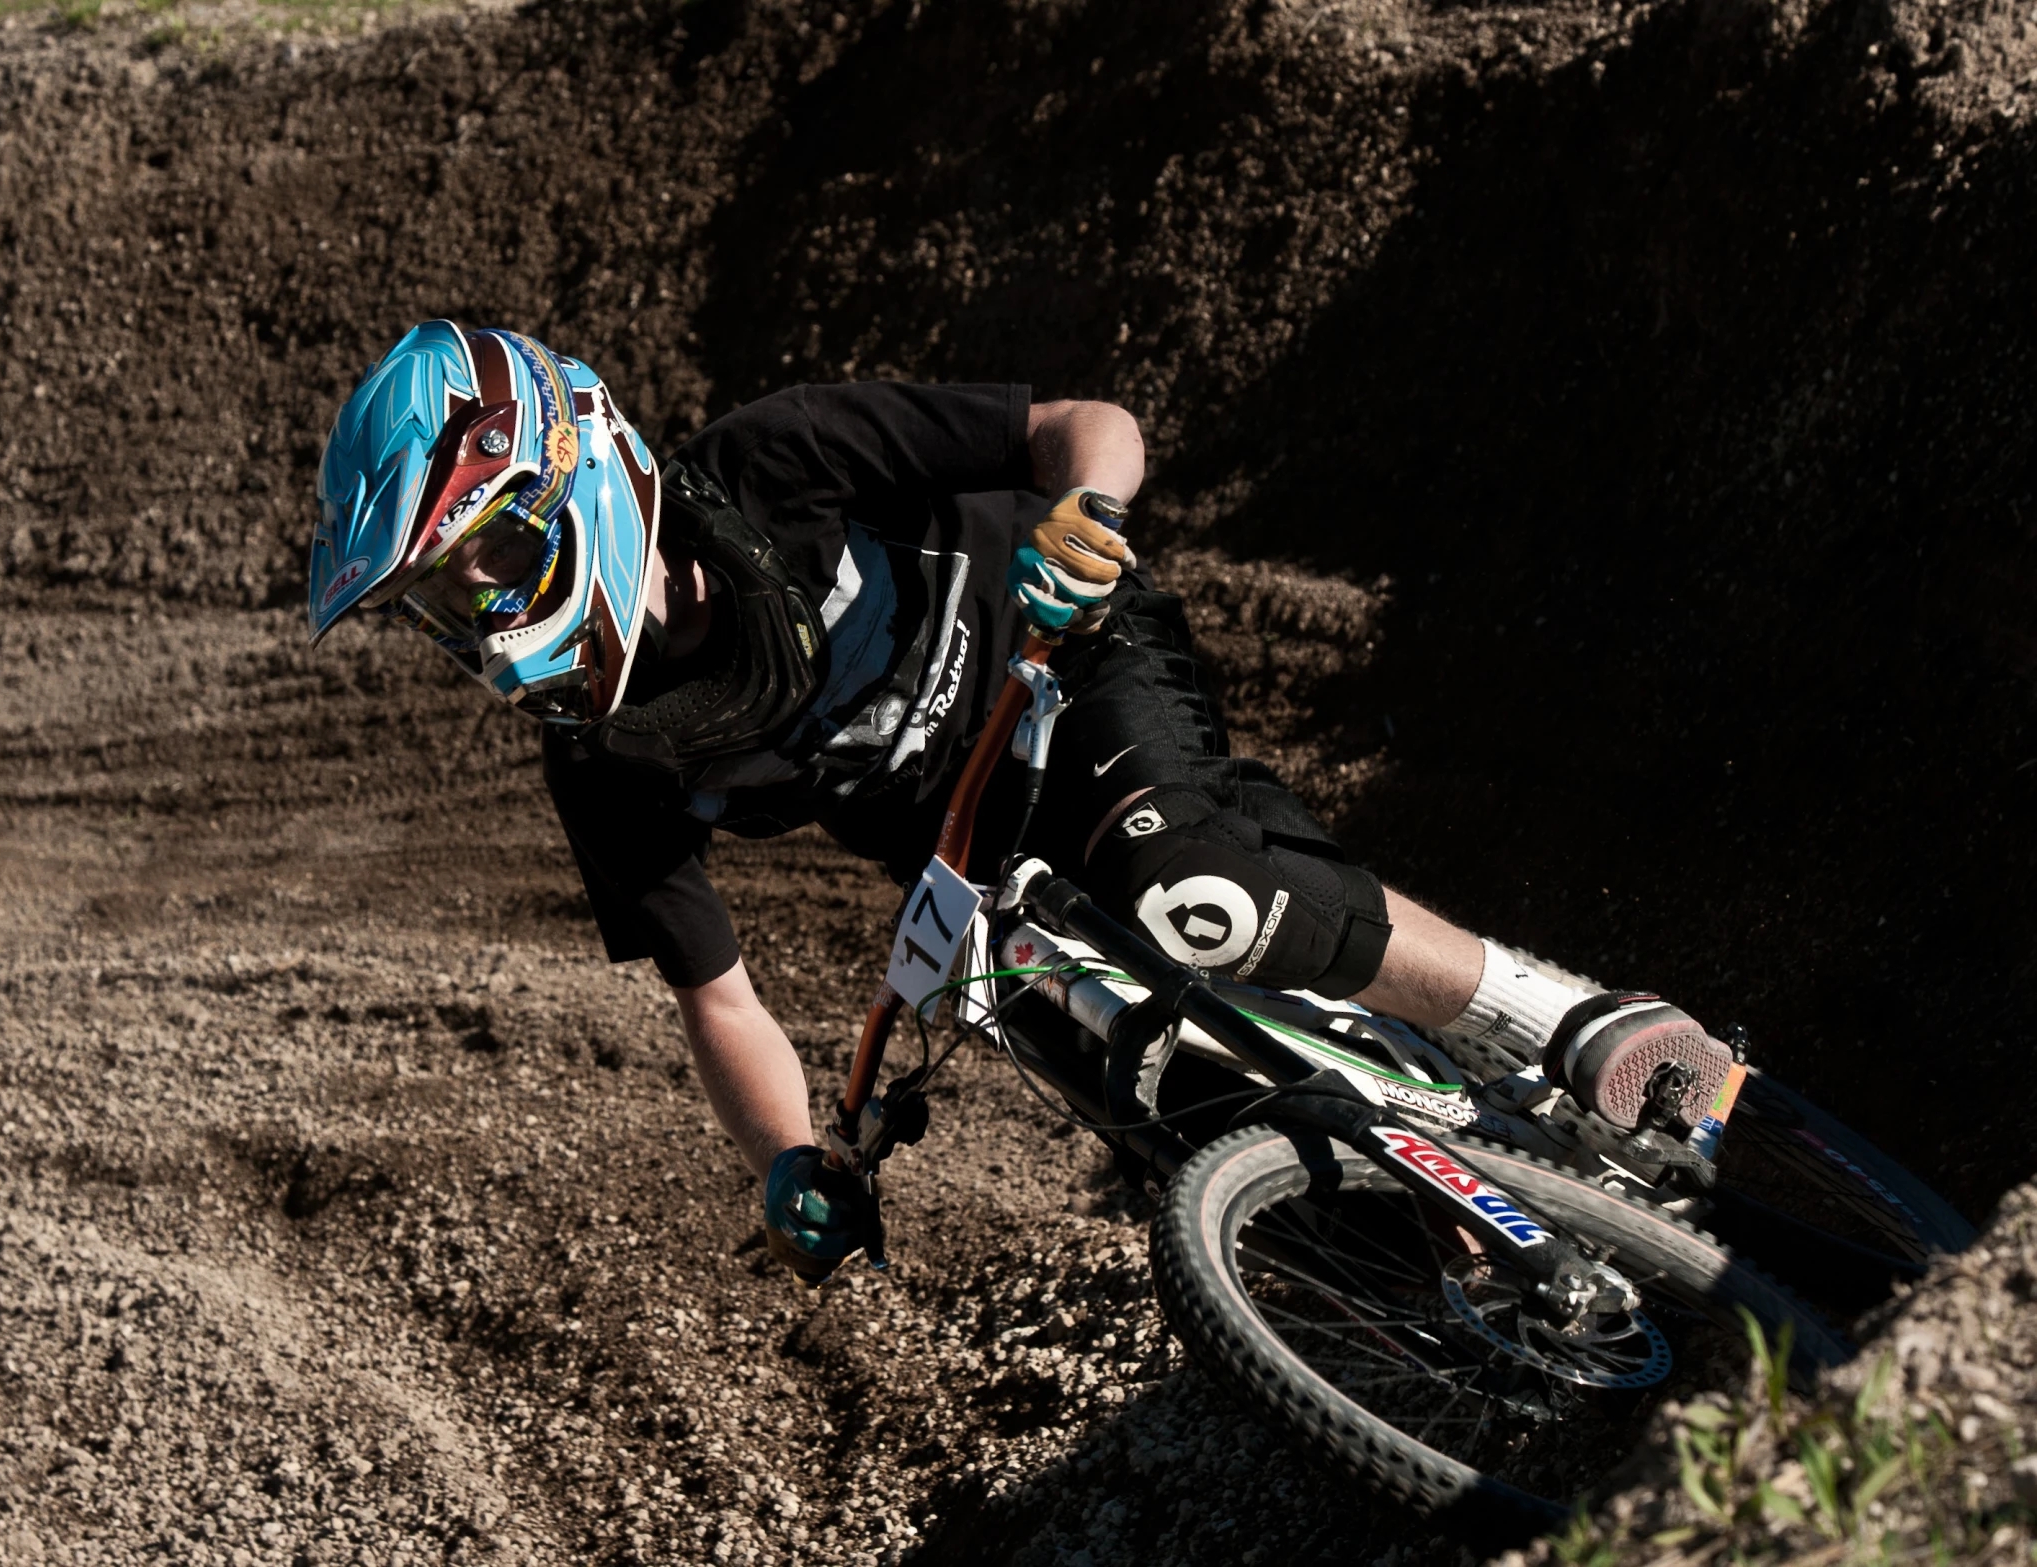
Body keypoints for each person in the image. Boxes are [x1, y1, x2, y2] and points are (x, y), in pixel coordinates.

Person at [306, 323, 1735, 1282]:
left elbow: (1082, 424)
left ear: (576, 470)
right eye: (444, 598)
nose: (481, 617)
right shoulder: (605, 756)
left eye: (483, 562)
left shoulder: (771, 461)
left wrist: (1084, 520)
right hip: (984, 847)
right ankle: (1487, 1234)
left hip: (1069, 656)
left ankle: (1562, 1018)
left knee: (1200, 897)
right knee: (1135, 1077)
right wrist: (791, 1164)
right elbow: (718, 994)